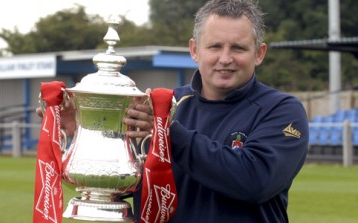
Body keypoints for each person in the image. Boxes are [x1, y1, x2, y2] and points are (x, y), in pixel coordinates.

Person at [123, 0, 309, 222]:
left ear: (259, 53)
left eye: (238, 48)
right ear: (194, 50)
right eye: (215, 46)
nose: (225, 59)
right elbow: (124, 181)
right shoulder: (161, 106)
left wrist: (167, 132)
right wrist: (81, 128)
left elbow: (255, 181)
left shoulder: (283, 110)